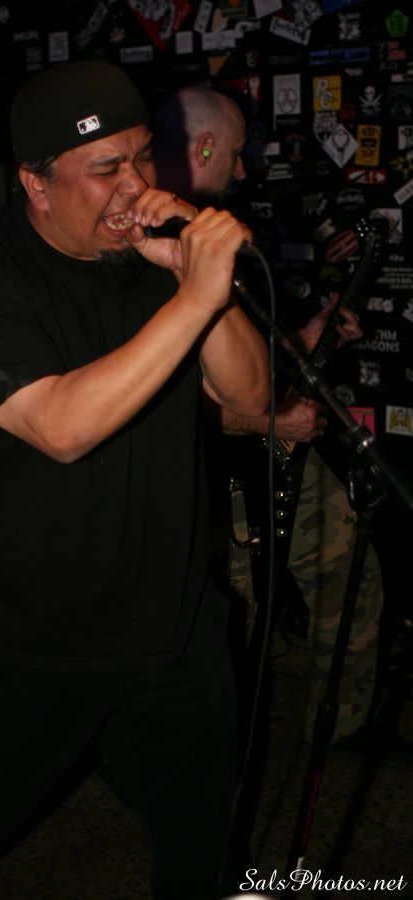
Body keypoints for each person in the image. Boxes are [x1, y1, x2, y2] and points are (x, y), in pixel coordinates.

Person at [0, 62, 269, 900]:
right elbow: (61, 427)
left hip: (172, 620)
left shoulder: (150, 259)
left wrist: (195, 283)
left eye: (143, 157)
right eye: (105, 169)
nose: (135, 187)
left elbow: (249, 397)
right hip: (41, 637)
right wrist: (192, 301)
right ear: (36, 183)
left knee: (203, 844)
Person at [153, 83, 383, 746]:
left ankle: (338, 733)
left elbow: (239, 362)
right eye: (234, 153)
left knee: (351, 575)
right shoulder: (150, 244)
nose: (243, 169)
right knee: (230, 618)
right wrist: (270, 424)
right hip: (207, 475)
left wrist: (305, 338)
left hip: (265, 453)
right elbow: (161, 401)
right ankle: (205, 757)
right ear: (202, 147)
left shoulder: (215, 231)